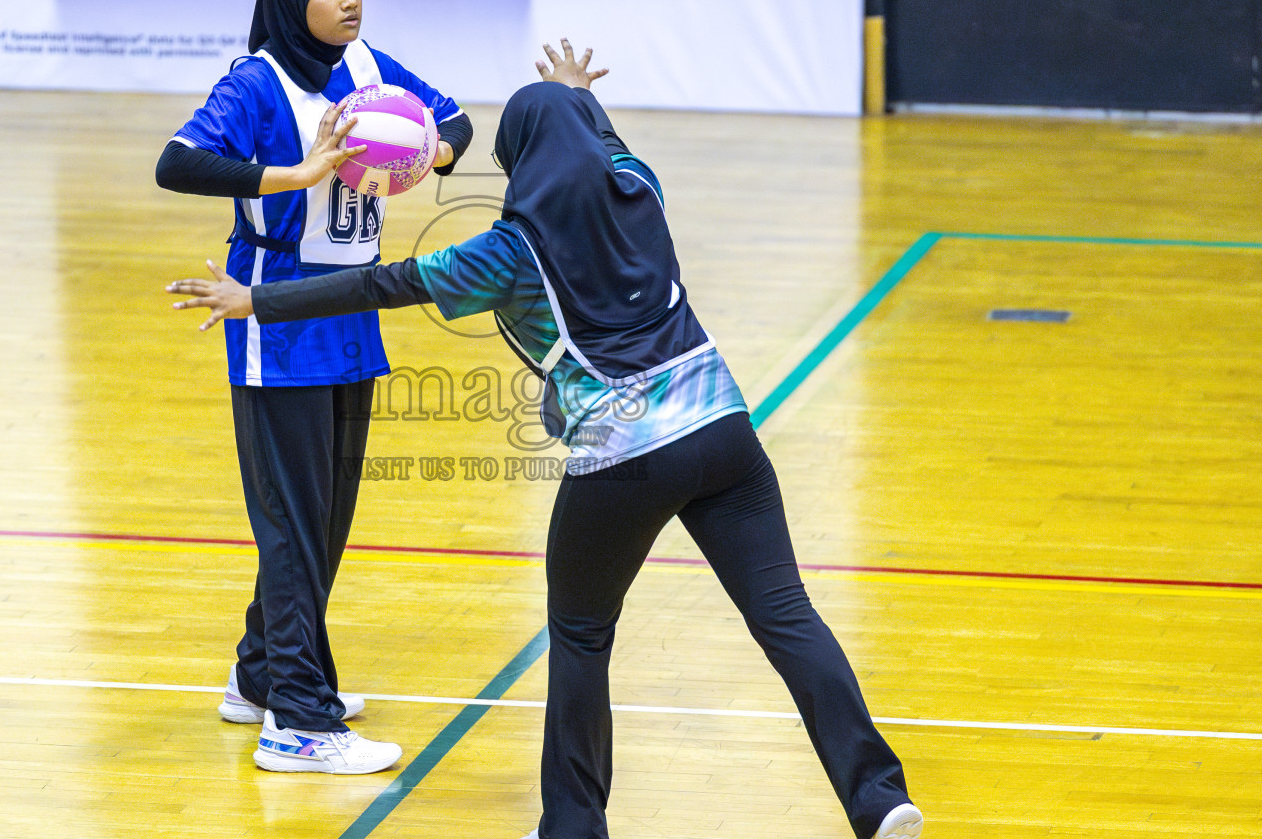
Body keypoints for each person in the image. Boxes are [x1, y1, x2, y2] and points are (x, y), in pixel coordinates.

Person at [166, 41, 922, 838]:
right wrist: (573, 97)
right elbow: (606, 145)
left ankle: (573, 827)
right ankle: (877, 797)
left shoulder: (506, 253)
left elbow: (381, 284)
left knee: (581, 634)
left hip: (626, 457)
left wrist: (258, 299)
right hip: (727, 432)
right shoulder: (641, 190)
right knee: (788, 616)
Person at [155, 0, 474, 775]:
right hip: (275, 322)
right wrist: (292, 176)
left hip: (349, 315)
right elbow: (178, 163)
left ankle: (259, 677)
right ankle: (299, 723)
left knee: (323, 522)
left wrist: (425, 157)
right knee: (293, 527)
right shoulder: (255, 83)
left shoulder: (369, 69)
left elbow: (457, 122)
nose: (349, 0)